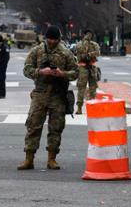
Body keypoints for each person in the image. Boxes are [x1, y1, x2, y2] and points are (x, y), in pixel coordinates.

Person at [18, 26, 78, 171]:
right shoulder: (37, 51)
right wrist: (40, 72)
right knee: (33, 126)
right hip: (40, 93)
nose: (51, 42)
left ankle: (52, 158)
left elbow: (76, 72)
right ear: (45, 38)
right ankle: (29, 158)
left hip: (58, 95)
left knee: (56, 128)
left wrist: (62, 74)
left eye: (54, 39)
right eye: (49, 39)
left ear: (59, 39)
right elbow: (26, 69)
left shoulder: (65, 53)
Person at [74, 30, 101, 114]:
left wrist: (89, 54)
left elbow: (98, 53)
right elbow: (80, 53)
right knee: (81, 88)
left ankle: (93, 108)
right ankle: (79, 108)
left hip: (92, 67)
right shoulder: (79, 44)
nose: (89, 36)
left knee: (93, 88)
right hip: (83, 68)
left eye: (90, 34)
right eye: (87, 34)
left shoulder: (94, 44)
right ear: (84, 35)